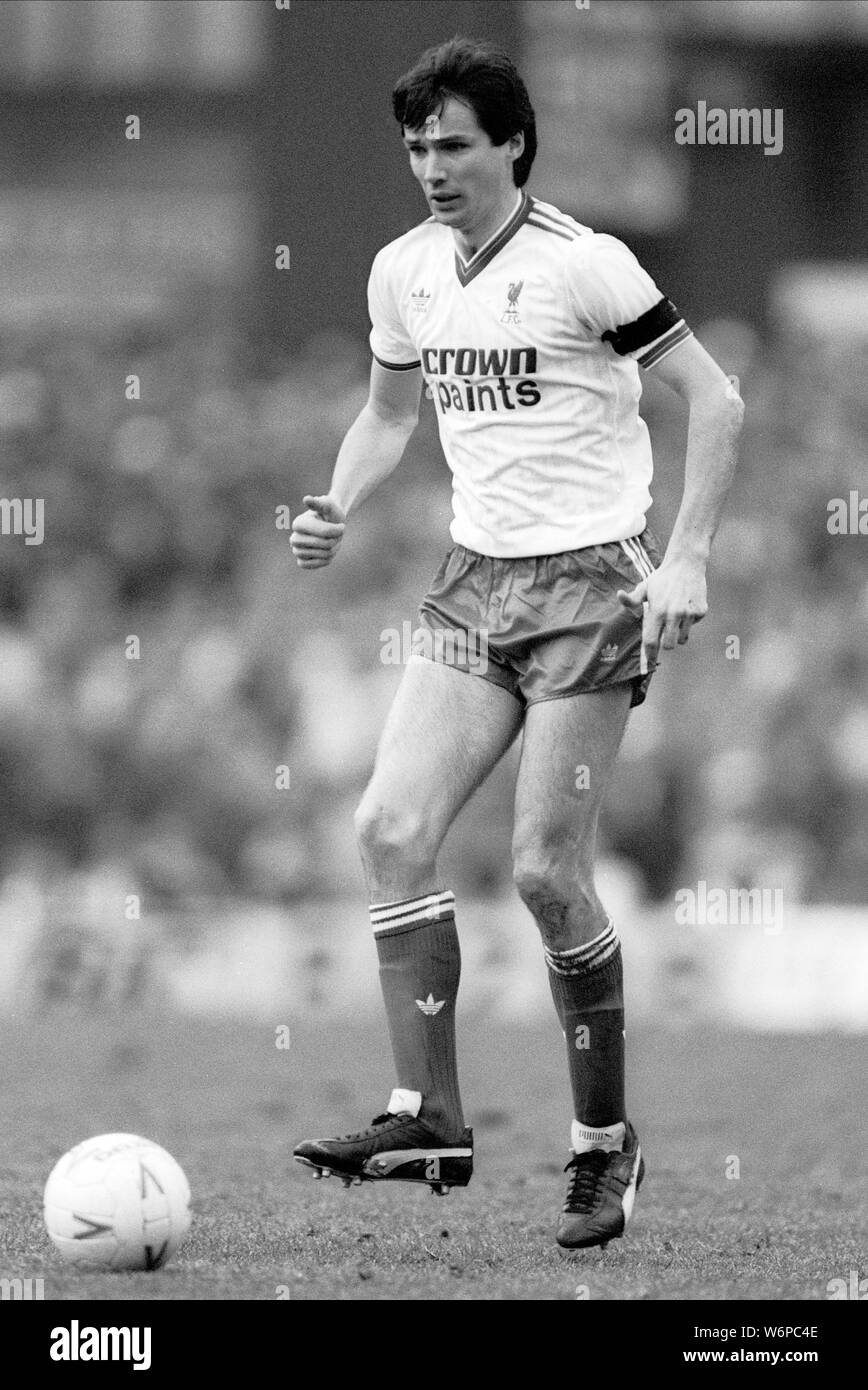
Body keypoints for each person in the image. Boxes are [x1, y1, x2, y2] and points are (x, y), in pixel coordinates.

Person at [290, 36, 743, 1249]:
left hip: (594, 586)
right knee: (388, 826)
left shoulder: (584, 264)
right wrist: (338, 501)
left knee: (544, 870)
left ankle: (604, 1145)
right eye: (416, 146)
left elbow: (716, 396)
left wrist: (687, 554)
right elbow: (389, 415)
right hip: (471, 584)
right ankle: (427, 1110)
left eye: (453, 144)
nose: (431, 166)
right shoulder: (403, 273)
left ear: (511, 146)